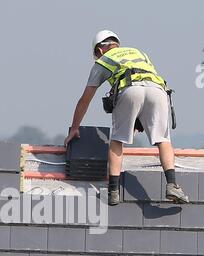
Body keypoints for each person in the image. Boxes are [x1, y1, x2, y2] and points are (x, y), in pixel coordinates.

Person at [64, 30, 189, 206]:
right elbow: (145, 89)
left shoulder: (103, 61)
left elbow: (85, 100)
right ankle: (173, 185)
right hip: (158, 91)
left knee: (117, 140)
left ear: (99, 50)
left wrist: (75, 127)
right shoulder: (139, 52)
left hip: (130, 89)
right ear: (116, 44)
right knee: (163, 139)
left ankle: (113, 191)